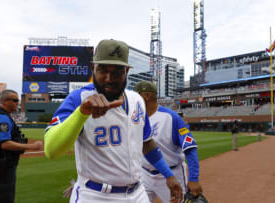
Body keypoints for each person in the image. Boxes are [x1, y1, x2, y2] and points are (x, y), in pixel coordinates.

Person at [44, 39, 183, 203]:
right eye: (102, 70)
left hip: (138, 194)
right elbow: (51, 150)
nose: (109, 78)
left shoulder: (137, 100)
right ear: (93, 69)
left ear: (127, 71)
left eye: (117, 71)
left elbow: (146, 143)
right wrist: (82, 113)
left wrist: (169, 175)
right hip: (96, 195)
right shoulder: (78, 99)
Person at [134, 81, 203, 203]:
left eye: (136, 95)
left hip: (173, 174)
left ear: (146, 96)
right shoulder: (135, 117)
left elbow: (190, 148)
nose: (133, 99)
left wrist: (193, 178)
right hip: (144, 174)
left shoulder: (171, 118)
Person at [0, 89, 43, 203]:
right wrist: (32, 146)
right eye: (15, 100)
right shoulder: (2, 118)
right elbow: (5, 144)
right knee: (5, 198)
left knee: (4, 197)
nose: (18, 103)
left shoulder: (3, 115)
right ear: (5, 101)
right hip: (2, 164)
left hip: (1, 163)